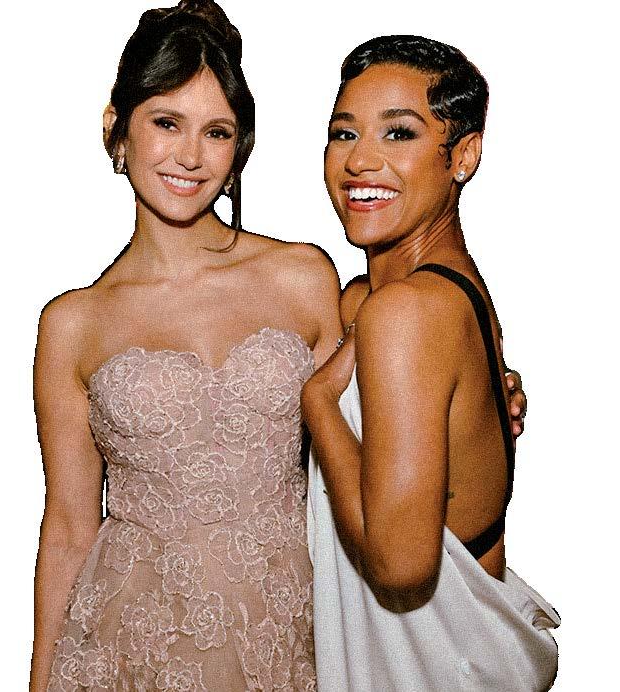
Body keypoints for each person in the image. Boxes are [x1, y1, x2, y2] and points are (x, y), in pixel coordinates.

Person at [30, 2, 340, 689]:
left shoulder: (302, 277)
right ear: (116, 130)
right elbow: (70, 528)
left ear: (238, 150)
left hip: (286, 638)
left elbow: (370, 446)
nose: (191, 156)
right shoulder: (73, 324)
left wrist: (475, 389)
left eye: (216, 132)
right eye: (166, 122)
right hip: (131, 647)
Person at [303, 35, 559, 691]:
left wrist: (318, 404)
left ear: (463, 156)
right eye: (343, 133)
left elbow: (400, 566)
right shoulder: (410, 298)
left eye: (399, 133)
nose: (360, 160)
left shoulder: (406, 312)